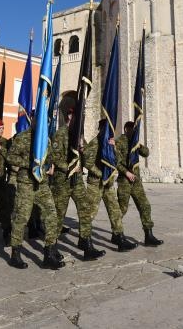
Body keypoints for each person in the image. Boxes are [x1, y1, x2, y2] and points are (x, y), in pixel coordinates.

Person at [6, 127, 64, 270]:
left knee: (51, 215)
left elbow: (50, 157)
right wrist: (30, 163)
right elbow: (10, 157)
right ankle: (15, 254)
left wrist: (51, 163)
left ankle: (49, 253)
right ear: (33, 119)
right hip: (26, 183)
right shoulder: (22, 137)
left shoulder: (45, 138)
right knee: (21, 218)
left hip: (42, 184)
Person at [51, 109, 105, 261]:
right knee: (59, 215)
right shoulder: (60, 134)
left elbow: (87, 156)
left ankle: (86, 244)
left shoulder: (79, 135)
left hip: (78, 180)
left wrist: (83, 148)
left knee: (85, 209)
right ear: (69, 117)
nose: (78, 119)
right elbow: (55, 157)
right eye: (75, 116)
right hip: (63, 181)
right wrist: (69, 167)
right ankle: (52, 247)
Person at [83, 121, 137, 252]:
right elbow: (87, 163)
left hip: (109, 184)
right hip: (96, 184)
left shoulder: (109, 143)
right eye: (106, 129)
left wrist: (114, 148)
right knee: (90, 213)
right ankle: (85, 240)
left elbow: (117, 161)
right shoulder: (94, 143)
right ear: (101, 129)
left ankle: (119, 237)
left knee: (115, 211)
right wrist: (100, 174)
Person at [116, 122, 163, 247]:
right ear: (126, 129)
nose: (131, 131)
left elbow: (146, 153)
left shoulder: (135, 142)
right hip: (124, 181)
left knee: (145, 206)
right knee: (122, 209)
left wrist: (138, 145)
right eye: (130, 129)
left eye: (133, 129)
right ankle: (117, 234)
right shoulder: (119, 141)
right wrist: (126, 173)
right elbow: (117, 162)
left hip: (136, 182)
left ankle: (149, 236)